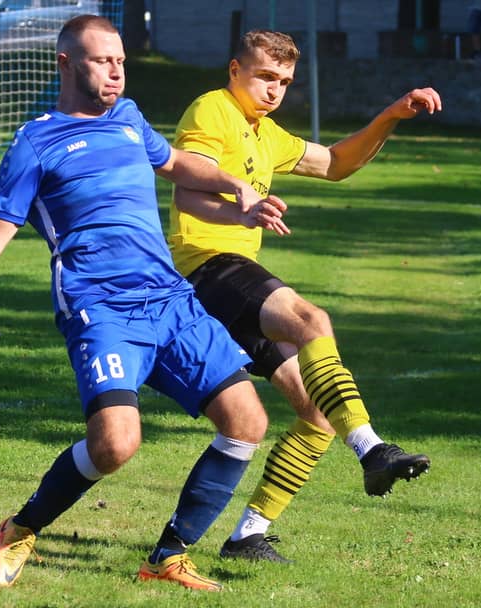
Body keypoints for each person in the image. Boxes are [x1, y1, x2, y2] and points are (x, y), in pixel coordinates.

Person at [0, 15, 284, 591]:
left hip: (170, 301)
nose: (117, 72)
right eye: (103, 61)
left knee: (247, 420)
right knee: (116, 444)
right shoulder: (35, 143)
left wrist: (235, 185)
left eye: (121, 60)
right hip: (101, 310)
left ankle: (169, 556)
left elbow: (175, 162)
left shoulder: (128, 118)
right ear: (66, 64)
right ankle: (22, 526)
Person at [167, 29, 441, 563]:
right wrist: (243, 211)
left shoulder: (266, 133)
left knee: (317, 411)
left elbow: (335, 163)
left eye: (285, 82)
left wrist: (390, 116)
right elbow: (187, 195)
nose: (274, 90)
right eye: (265, 77)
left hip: (233, 275)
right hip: (207, 269)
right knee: (310, 319)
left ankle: (248, 535)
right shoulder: (212, 110)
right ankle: (371, 449)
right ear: (235, 70)